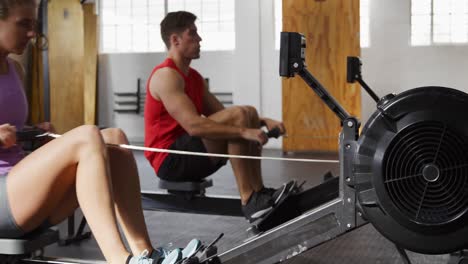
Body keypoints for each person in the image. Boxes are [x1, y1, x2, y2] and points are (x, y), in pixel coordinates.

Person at [0, 1, 199, 264]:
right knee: (87, 136)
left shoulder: (16, 69)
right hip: (4, 201)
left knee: (114, 138)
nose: (32, 33)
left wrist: (34, 130)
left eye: (33, 25)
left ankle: (145, 253)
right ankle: (119, 259)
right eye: (23, 24)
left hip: (21, 190)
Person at [144, 10, 294, 223]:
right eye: (193, 34)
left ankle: (259, 193)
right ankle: (249, 199)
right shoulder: (165, 76)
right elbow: (194, 127)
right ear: (175, 40)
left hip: (192, 152)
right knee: (241, 117)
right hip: (171, 161)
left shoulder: (194, 77)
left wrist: (262, 121)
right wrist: (245, 131)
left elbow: (221, 115)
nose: (200, 39)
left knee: (247, 112)